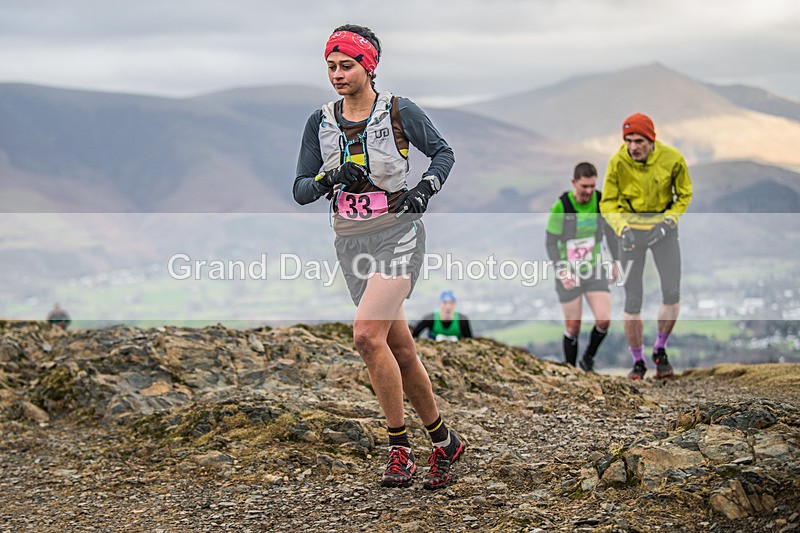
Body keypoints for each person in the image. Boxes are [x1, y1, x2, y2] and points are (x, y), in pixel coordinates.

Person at [293, 24, 464, 489]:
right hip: (350, 242)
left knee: (368, 337)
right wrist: (331, 179)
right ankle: (444, 440)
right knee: (401, 349)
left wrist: (425, 190)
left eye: (346, 65)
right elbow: (301, 190)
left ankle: (398, 449)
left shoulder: (398, 111)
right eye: (330, 66)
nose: (336, 74)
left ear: (368, 66)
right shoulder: (320, 121)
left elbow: (443, 153)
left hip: (397, 233)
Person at [600, 113, 693, 380]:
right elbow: (607, 203)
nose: (633, 147)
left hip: (662, 230)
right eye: (628, 140)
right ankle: (638, 361)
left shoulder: (672, 158)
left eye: (639, 140)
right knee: (632, 300)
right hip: (630, 231)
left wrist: (668, 221)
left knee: (672, 293)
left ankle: (660, 350)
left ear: (651, 139)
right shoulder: (617, 162)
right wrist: (622, 229)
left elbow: (684, 193)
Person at [545, 162, 619, 371]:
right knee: (573, 326)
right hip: (568, 271)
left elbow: (611, 233)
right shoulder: (562, 206)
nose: (588, 191)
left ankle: (587, 359)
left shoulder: (600, 201)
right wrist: (561, 270)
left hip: (594, 269)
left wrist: (616, 261)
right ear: (574, 183)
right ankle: (570, 369)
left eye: (592, 186)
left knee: (604, 320)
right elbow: (550, 242)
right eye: (584, 186)